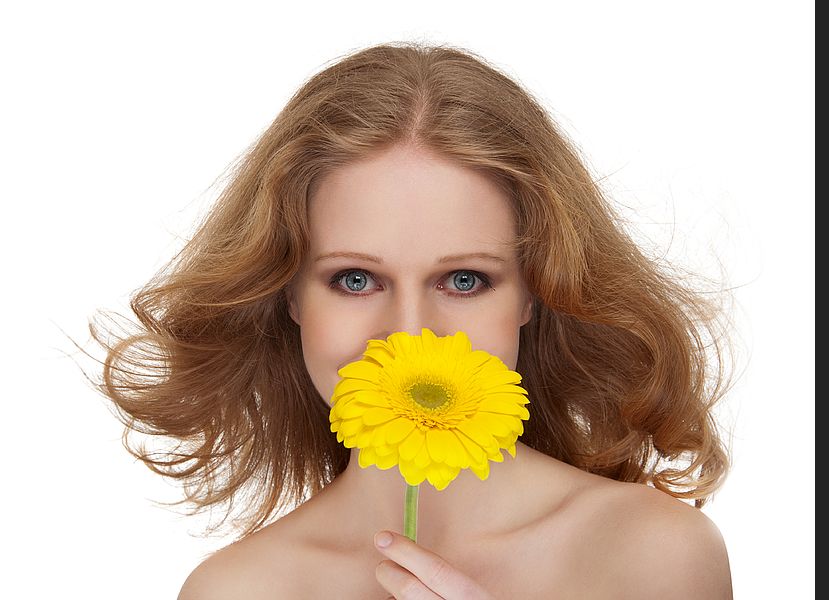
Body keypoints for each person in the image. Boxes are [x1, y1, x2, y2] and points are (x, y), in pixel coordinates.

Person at [92, 42, 734, 598]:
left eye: (463, 281)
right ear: (287, 295)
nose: (408, 336)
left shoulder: (653, 555)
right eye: (354, 279)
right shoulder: (236, 591)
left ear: (535, 294)